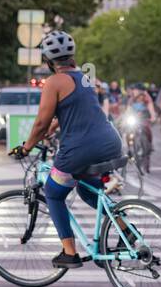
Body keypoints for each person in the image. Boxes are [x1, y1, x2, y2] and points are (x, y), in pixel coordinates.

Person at [11, 30, 123, 268]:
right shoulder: (83, 77)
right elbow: (79, 109)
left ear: (48, 61)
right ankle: (129, 233)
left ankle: (69, 252)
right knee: (88, 191)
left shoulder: (53, 82)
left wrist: (27, 146)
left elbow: (40, 122)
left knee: (53, 191)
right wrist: (55, 125)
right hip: (110, 141)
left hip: (81, 148)